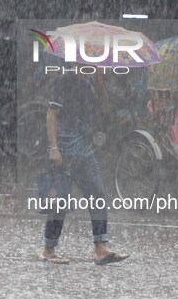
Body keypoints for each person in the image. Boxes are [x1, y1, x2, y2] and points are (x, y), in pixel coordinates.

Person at [40, 63, 129, 265]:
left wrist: (99, 81)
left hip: (85, 150)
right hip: (64, 148)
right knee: (59, 202)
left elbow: (104, 108)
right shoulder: (64, 80)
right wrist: (54, 148)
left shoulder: (89, 81)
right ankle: (48, 248)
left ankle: (100, 247)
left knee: (97, 195)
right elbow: (51, 114)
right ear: (77, 61)